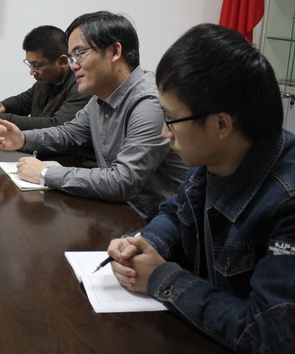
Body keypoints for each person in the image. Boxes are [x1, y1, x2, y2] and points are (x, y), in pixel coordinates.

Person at [107, 24, 295, 352]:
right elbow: (174, 212)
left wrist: (161, 278)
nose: (165, 132)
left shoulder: (287, 199)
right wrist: (143, 244)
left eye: (171, 119)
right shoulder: (216, 157)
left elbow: (268, 334)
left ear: (221, 124)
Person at [0, 11, 187, 220]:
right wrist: (22, 138)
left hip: (152, 226)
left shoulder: (149, 103)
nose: (73, 65)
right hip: (116, 213)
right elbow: (69, 134)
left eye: (79, 53)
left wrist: (45, 173)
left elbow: (123, 181)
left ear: (115, 51)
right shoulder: (101, 97)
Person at [0, 25, 90, 130]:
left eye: (37, 66)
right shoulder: (45, 82)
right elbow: (22, 102)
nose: (32, 72)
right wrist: (3, 106)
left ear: (62, 61)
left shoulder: (81, 86)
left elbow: (57, 125)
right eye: (30, 65)